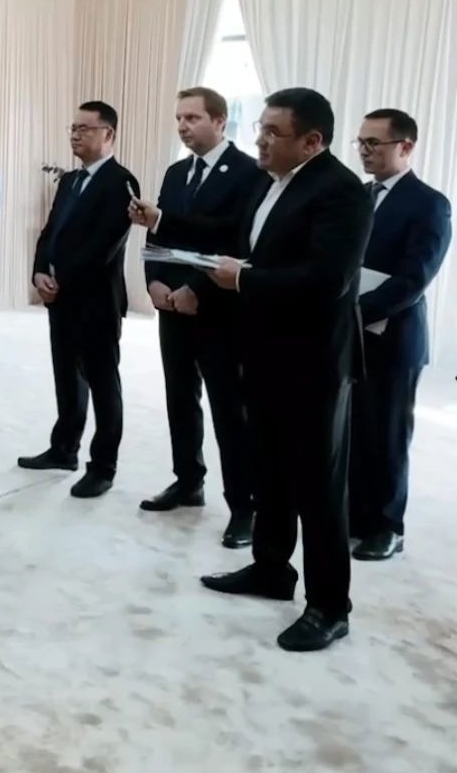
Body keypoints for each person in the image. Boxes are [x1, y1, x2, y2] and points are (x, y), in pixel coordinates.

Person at [131, 87, 372, 653]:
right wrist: (168, 225)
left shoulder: (340, 191)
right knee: (270, 471)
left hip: (312, 362)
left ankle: (329, 606)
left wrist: (243, 278)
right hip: (261, 351)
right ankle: (270, 569)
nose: (259, 140)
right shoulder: (270, 182)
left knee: (316, 487)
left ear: (311, 141)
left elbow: (328, 280)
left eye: (272, 132)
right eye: (259, 128)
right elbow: (232, 239)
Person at [141, 88, 263, 548]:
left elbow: (238, 241)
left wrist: (197, 289)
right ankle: (188, 480)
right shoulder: (176, 172)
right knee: (180, 398)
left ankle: (244, 507)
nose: (183, 126)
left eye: (192, 118)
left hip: (219, 309)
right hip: (170, 305)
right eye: (179, 118)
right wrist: (154, 281)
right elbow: (157, 234)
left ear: (220, 120)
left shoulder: (249, 172)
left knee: (229, 410)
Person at [18, 102, 139, 498]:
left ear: (109, 134)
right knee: (67, 377)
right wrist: (40, 271)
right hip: (61, 298)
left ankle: (103, 466)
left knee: (103, 383)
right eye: (73, 127)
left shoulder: (121, 182)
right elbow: (50, 232)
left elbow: (104, 245)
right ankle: (63, 449)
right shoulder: (69, 180)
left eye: (85, 128)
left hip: (96, 301)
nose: (75, 134)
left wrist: (62, 280)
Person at [349, 109, 451, 561]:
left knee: (388, 434)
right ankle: (355, 514)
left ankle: (388, 526)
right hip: (350, 331)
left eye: (374, 143)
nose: (364, 151)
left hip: (394, 338)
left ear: (405, 146)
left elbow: (414, 279)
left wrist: (355, 311)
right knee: (354, 428)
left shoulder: (429, 203)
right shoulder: (358, 195)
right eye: (361, 142)